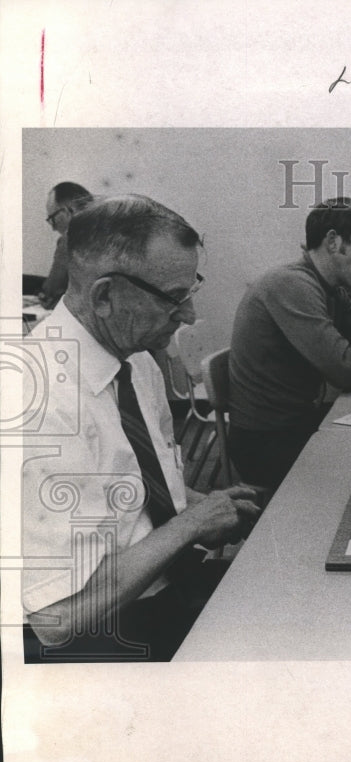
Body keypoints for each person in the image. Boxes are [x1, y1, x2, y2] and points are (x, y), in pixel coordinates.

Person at [21, 194, 262, 663]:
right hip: (103, 636)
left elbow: (129, 488)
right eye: (174, 300)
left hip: (160, 589)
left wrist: (199, 503)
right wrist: (192, 523)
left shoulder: (135, 363)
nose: (189, 317)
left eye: (190, 293)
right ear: (105, 296)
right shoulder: (38, 405)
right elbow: (56, 621)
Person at [228, 198, 351, 490]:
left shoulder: (330, 287)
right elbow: (346, 368)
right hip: (267, 443)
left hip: (298, 424)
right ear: (333, 241)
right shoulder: (293, 284)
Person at [37, 181, 93, 309]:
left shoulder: (71, 237)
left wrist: (45, 296)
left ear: (67, 211)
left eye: (52, 218)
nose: (53, 228)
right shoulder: (110, 230)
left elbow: (51, 291)